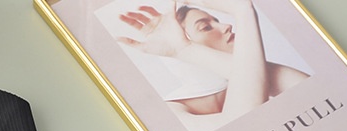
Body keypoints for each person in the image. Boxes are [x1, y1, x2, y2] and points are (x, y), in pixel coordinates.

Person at [118, 0, 308, 119]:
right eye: (206, 27)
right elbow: (244, 125)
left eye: (216, 21)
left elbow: (308, 90)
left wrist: (242, 8)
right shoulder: (172, 112)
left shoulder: (253, 84)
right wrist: (243, 12)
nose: (226, 26)